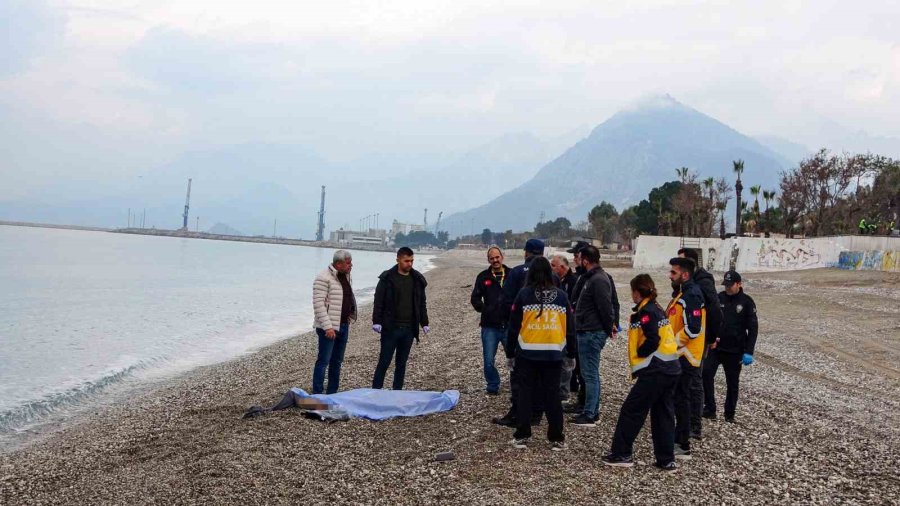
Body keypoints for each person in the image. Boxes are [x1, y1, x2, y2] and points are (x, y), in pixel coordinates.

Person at [602, 274, 681, 471]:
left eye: (632, 291)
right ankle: (666, 459)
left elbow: (653, 339)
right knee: (663, 414)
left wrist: (641, 352)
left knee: (632, 410)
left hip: (655, 369)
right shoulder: (658, 308)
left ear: (637, 292)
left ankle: (622, 453)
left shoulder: (646, 312)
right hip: (671, 367)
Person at [505, 256, 576, 451]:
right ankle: (556, 437)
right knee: (552, 395)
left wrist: (510, 353)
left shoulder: (523, 295)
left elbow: (513, 327)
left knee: (525, 394)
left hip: (527, 353)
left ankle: (522, 434)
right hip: (553, 353)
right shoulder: (561, 296)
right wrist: (571, 353)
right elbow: (570, 327)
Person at [492, 238, 550, 427]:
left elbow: (505, 301)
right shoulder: (551, 274)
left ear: (526, 252)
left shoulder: (517, 272)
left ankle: (517, 412)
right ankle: (537, 413)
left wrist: (507, 321)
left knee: (519, 374)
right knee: (541, 374)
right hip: (547, 332)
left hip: (522, 331)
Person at [677, 247, 723, 440]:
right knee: (685, 380)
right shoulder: (685, 284)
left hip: (697, 339)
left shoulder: (703, 283)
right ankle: (684, 419)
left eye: (679, 262)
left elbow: (715, 311)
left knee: (695, 381)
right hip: (684, 339)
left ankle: (694, 426)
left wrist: (711, 338)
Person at [703, 270, 758, 422]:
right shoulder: (719, 298)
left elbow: (753, 328)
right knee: (706, 374)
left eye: (730, 285)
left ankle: (729, 414)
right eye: (725, 285)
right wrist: (709, 338)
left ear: (739, 284)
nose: (727, 288)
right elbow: (709, 320)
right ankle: (710, 409)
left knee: (732, 383)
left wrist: (749, 351)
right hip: (716, 347)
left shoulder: (747, 302)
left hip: (735, 350)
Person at [372, 247, 430, 390]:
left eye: (411, 261)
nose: (409, 264)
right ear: (398, 259)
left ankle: (397, 392)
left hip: (409, 329)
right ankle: (375, 392)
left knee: (401, 364)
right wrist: (377, 321)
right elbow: (378, 301)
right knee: (384, 362)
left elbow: (421, 303)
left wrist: (424, 323)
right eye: (406, 261)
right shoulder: (387, 278)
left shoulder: (417, 279)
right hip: (390, 328)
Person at [572, 245, 617, 427]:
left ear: (585, 260)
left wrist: (607, 329)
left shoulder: (598, 279)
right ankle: (590, 409)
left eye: (579, 258)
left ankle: (590, 413)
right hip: (588, 330)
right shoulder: (592, 278)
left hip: (591, 332)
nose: (577, 262)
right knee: (589, 373)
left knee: (590, 374)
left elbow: (606, 307)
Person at [666, 257, 706, 459]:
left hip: (686, 356)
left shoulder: (692, 295)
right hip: (679, 354)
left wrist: (672, 343)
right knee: (677, 397)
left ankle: (682, 444)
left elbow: (693, 329)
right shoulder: (683, 293)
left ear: (685, 274)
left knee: (682, 398)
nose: (670, 276)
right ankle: (676, 437)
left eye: (673, 272)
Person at [311, 250, 357, 394]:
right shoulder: (323, 278)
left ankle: (332, 392)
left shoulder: (347, 276)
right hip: (328, 328)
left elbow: (348, 297)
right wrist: (328, 327)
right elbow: (318, 305)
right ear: (338, 264)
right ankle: (318, 393)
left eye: (350, 262)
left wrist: (350, 316)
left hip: (343, 325)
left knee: (337, 361)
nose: (351, 265)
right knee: (323, 361)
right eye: (348, 263)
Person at [470, 246, 511, 395]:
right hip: (489, 327)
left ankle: (517, 385)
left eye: (497, 257)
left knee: (514, 358)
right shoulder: (483, 276)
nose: (495, 260)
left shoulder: (512, 274)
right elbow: (475, 298)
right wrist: (485, 310)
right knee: (488, 361)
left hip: (509, 325)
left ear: (502, 257)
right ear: (488, 260)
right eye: (492, 258)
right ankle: (493, 385)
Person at [551, 254, 578, 402]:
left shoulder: (573, 281)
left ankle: (564, 391)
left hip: (567, 324)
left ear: (562, 267)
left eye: (553, 265)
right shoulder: (558, 281)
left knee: (566, 361)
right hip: (557, 326)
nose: (551, 268)